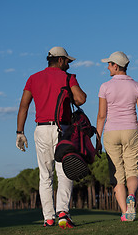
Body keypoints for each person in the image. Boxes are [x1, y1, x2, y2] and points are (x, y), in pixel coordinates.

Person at [16, 46, 87, 229]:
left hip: (40, 130)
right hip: (62, 130)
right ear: (61, 60)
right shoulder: (67, 77)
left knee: (45, 176)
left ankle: (48, 218)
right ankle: (63, 212)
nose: (69, 65)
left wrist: (19, 132)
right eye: (67, 62)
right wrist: (69, 95)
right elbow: (81, 99)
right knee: (65, 172)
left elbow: (24, 106)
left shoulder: (33, 78)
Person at [96, 51, 138, 222]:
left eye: (109, 64)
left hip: (111, 132)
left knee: (117, 175)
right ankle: (132, 195)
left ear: (116, 66)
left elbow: (101, 116)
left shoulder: (105, 86)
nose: (107, 67)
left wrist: (97, 139)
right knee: (133, 170)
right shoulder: (137, 86)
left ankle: (125, 213)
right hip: (131, 130)